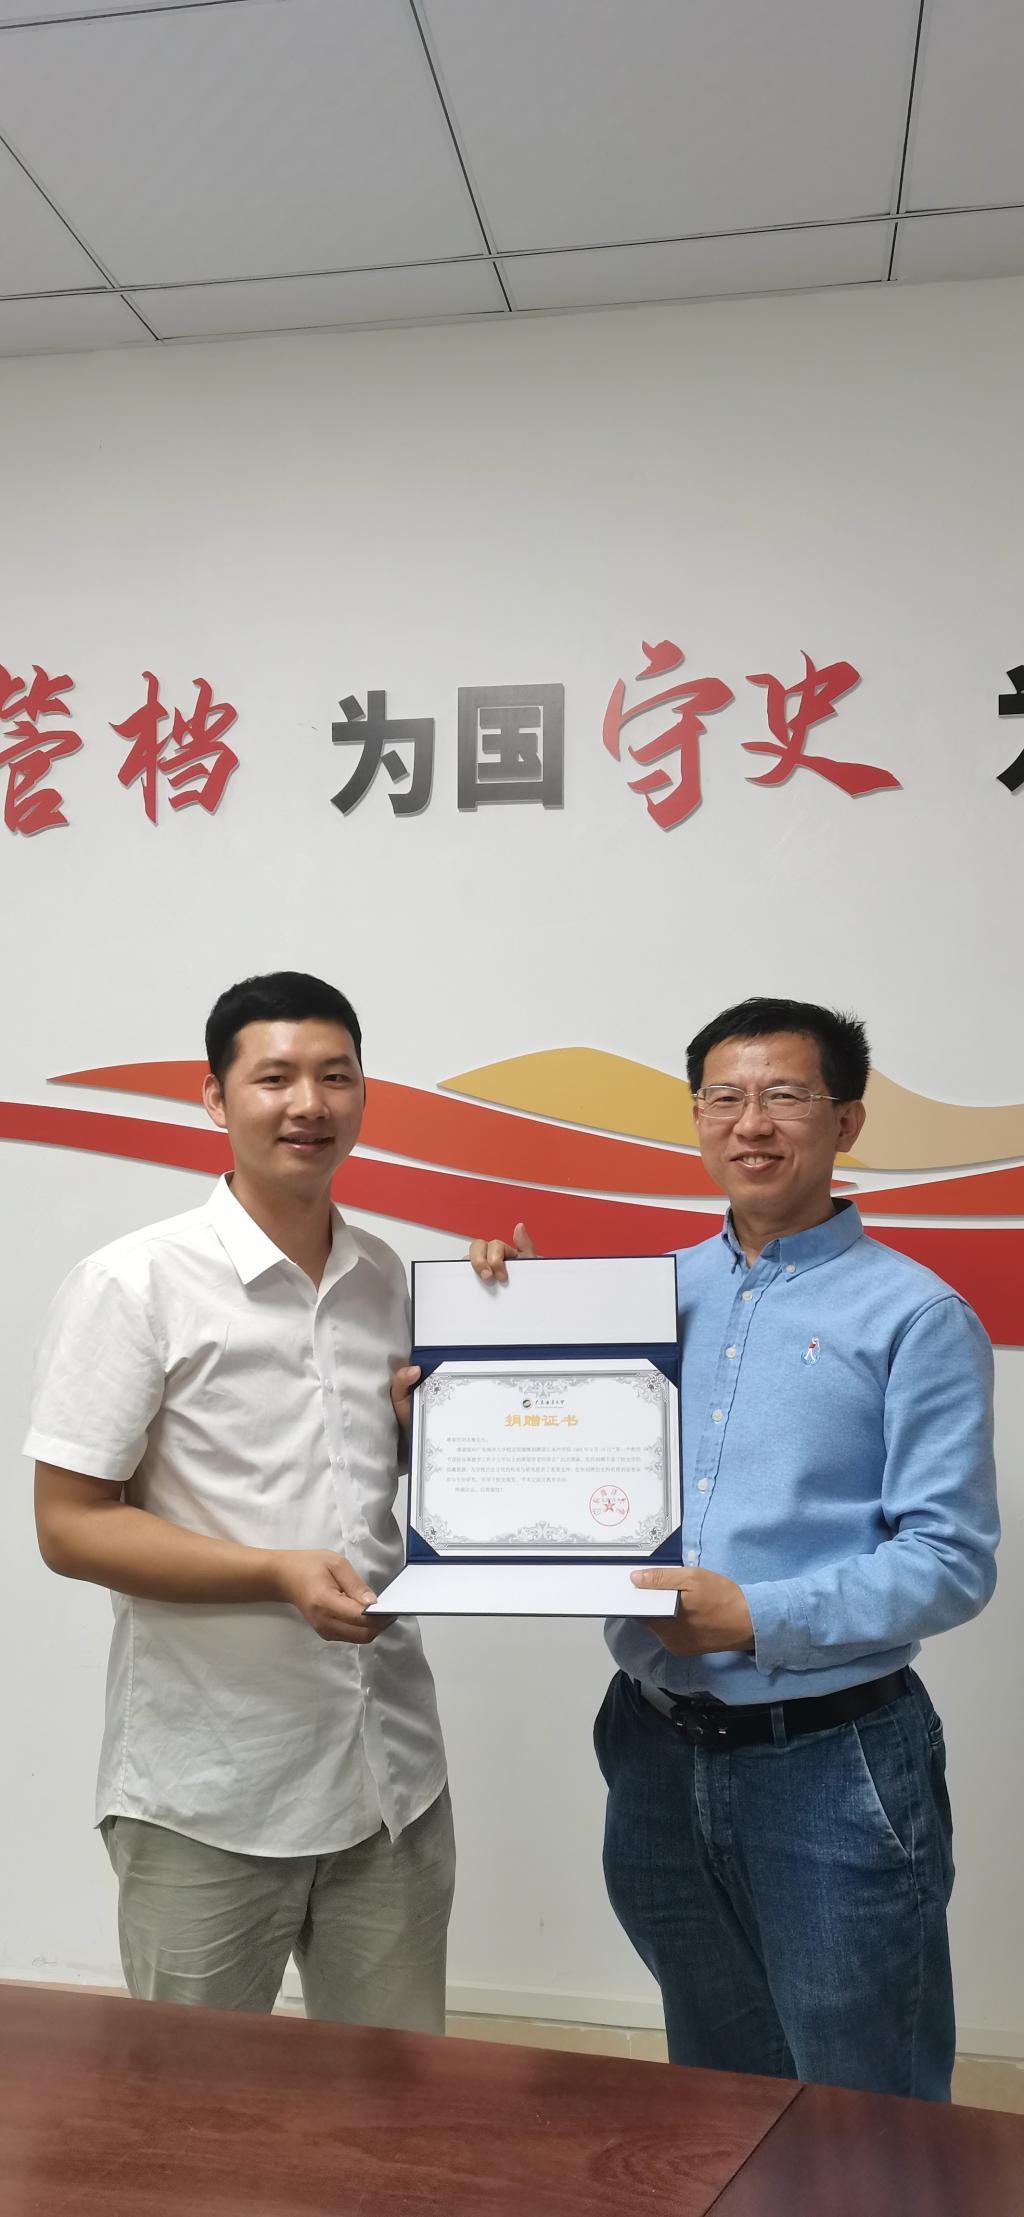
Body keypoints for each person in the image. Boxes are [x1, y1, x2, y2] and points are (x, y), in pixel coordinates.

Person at [469, 997, 998, 2100]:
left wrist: (753, 1617)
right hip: (653, 1754)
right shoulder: (646, 1297)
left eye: (784, 1095)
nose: (751, 1123)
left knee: (866, 2104)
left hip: (830, 1763)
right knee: (712, 2094)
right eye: (724, 1097)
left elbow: (950, 1559)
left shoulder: (916, 1315)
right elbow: (558, 1466)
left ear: (845, 1121)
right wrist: (500, 1329)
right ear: (699, 1117)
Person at [28, 971, 453, 2026]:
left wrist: (513, 1332)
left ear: (364, 1093)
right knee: (195, 2110)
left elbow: (378, 1483)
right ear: (216, 1098)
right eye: (274, 1078)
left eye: (336, 1076)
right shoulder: (135, 1282)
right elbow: (68, 1526)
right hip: (210, 1790)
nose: (309, 1103)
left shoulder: (388, 1278)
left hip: (391, 1782)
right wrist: (274, 1573)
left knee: (401, 2105)